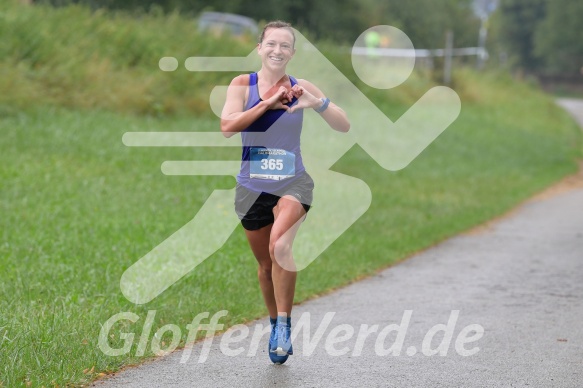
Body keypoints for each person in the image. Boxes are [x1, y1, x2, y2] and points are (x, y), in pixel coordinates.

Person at [220, 20, 350, 364]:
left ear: (292, 52)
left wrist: (316, 103)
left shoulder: (300, 86)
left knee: (281, 246)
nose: (277, 51)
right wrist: (267, 103)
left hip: (293, 183)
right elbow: (227, 127)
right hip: (251, 189)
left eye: (285, 46)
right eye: (271, 44)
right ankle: (275, 322)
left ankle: (285, 327)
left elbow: (343, 124)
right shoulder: (241, 84)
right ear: (260, 48)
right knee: (265, 265)